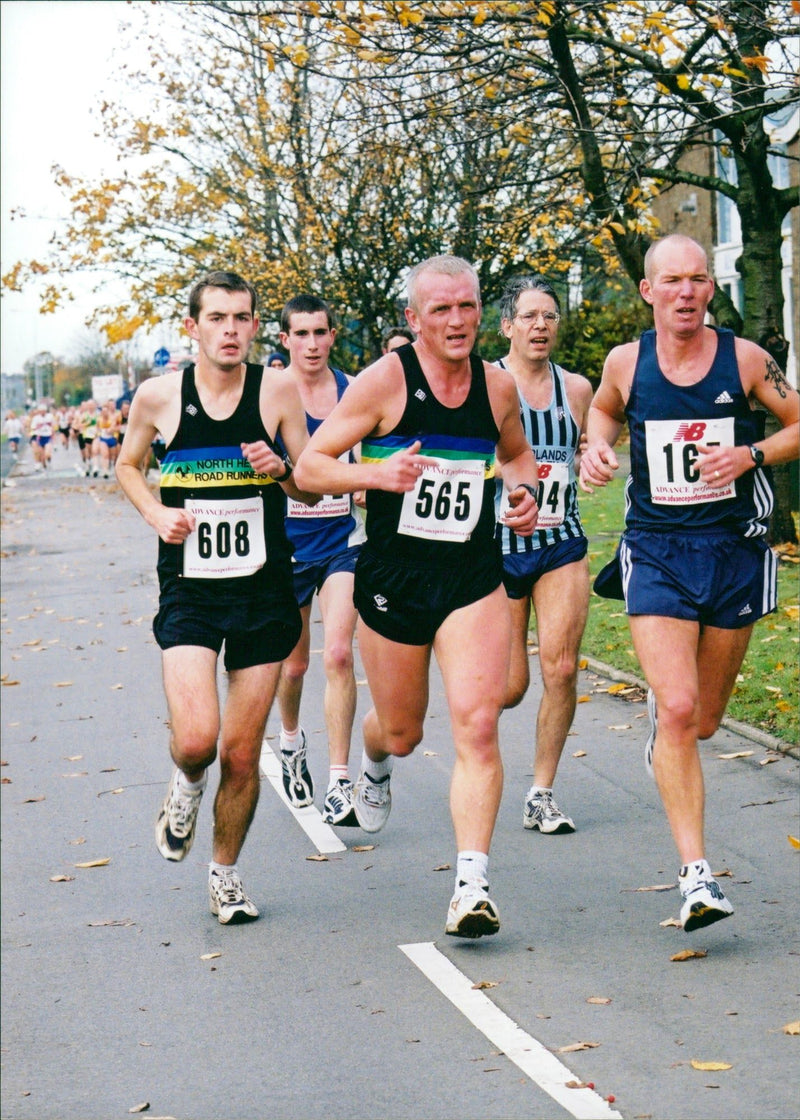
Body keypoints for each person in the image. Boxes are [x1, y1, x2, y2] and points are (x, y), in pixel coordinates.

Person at [294, 255, 539, 938]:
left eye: (468, 306)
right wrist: (376, 476)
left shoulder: (496, 388)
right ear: (414, 318)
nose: (458, 321)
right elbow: (310, 467)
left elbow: (518, 455)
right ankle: (372, 757)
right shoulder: (383, 384)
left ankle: (471, 886)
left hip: (470, 576)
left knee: (480, 723)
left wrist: (524, 494)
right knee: (403, 732)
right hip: (395, 580)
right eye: (441, 310)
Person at [579, 234, 799, 933]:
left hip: (734, 548)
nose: (686, 292)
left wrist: (751, 453)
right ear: (648, 291)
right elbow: (605, 409)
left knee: (701, 720)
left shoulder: (745, 359)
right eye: (671, 280)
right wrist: (596, 445)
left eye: (698, 279)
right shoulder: (625, 362)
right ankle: (697, 877)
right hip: (658, 548)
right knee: (676, 707)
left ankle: (669, 736)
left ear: (710, 287)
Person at [116, 269, 316, 924]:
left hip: (263, 590)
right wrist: (155, 515)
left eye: (241, 318)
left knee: (240, 750)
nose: (230, 330)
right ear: (193, 326)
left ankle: (225, 874)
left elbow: (310, 487)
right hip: (190, 591)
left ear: (256, 326)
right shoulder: (157, 397)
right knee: (200, 740)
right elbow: (127, 465)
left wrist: (281, 471)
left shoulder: (279, 388)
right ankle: (185, 780)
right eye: (217, 318)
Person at [494, 276, 593, 835]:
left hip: (560, 541)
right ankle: (478, 766)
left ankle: (541, 792)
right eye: (529, 316)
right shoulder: (486, 383)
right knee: (510, 686)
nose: (540, 326)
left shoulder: (575, 388)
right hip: (498, 547)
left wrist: (595, 456)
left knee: (560, 666)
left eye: (549, 316)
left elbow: (589, 444)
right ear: (507, 325)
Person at [275, 294, 366, 826]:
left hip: (341, 543)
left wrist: (366, 486)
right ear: (285, 340)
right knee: (294, 664)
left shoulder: (355, 391)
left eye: (320, 332)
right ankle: (290, 743)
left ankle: (339, 782)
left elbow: (375, 455)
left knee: (337, 655)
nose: (311, 344)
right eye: (301, 334)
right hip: (284, 549)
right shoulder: (271, 396)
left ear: (333, 335)